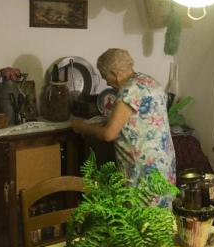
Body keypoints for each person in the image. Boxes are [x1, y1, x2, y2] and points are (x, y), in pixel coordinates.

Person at [71, 48, 176, 189]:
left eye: (105, 77)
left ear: (115, 74)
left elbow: (109, 134)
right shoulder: (150, 82)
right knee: (159, 210)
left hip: (143, 170)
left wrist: (81, 126)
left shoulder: (128, 91)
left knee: (138, 210)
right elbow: (140, 120)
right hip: (164, 164)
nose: (107, 83)